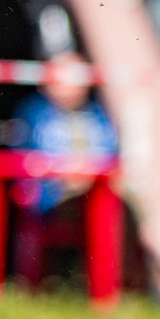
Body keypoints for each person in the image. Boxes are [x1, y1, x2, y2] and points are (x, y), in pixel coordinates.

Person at [10, 56, 119, 287]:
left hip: (94, 189)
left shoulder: (98, 115)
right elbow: (25, 160)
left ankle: (108, 284)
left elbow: (111, 153)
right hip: (52, 194)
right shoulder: (34, 114)